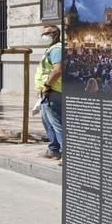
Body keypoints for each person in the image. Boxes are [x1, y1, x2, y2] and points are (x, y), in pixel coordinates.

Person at [35, 24, 64, 160]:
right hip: (47, 92)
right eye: (42, 34)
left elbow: (58, 70)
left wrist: (47, 85)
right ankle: (53, 149)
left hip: (53, 91)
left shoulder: (57, 49)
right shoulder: (51, 49)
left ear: (55, 34)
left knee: (57, 125)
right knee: (48, 123)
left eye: (46, 34)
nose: (43, 37)